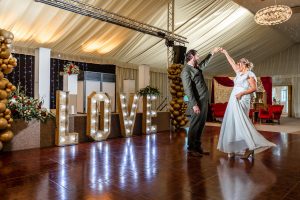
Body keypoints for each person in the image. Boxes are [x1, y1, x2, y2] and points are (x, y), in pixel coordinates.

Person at [217, 49, 276, 159]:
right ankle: (232, 148)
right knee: (232, 122)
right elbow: (231, 62)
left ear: (244, 64)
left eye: (239, 63)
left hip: (243, 98)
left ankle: (250, 147)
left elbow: (254, 88)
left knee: (241, 122)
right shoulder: (238, 73)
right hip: (233, 99)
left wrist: (242, 93)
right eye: (238, 63)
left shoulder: (250, 74)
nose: (237, 65)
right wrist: (225, 52)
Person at [181, 47, 221, 157]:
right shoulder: (186, 71)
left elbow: (204, 63)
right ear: (192, 56)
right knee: (194, 125)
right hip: (196, 102)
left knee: (201, 124)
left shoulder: (196, 67)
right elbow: (188, 90)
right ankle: (191, 148)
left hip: (204, 100)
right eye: (197, 55)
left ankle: (197, 147)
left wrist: (212, 52)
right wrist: (194, 104)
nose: (199, 56)